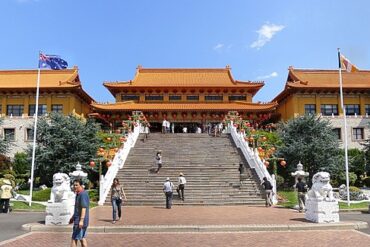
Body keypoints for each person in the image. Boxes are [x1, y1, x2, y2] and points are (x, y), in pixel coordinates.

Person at [70, 179, 90, 247]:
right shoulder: (79, 194)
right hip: (79, 220)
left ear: (81, 185)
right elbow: (79, 208)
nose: (75, 186)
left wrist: (81, 220)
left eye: (76, 185)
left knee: (74, 239)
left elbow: (84, 208)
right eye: (74, 185)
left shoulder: (82, 194)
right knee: (82, 238)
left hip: (79, 221)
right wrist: (73, 217)